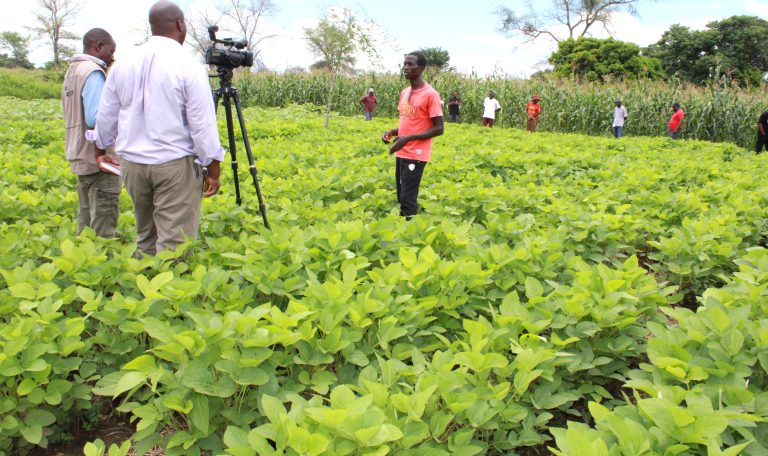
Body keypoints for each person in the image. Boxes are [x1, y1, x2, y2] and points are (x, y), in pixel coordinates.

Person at [88, 0, 224, 256]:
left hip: (132, 165)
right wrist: (213, 168)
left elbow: (106, 114)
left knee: (146, 235)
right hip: (174, 165)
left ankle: (144, 277)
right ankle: (167, 281)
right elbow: (202, 125)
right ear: (180, 25)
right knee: (174, 244)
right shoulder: (188, 65)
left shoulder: (123, 63)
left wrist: (100, 149)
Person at [62, 28, 120, 238]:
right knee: (103, 224)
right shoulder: (93, 72)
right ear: (98, 46)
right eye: (110, 51)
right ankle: (100, 257)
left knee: (85, 220)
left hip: (79, 153)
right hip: (99, 160)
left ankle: (82, 253)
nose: (112, 58)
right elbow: (97, 119)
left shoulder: (73, 71)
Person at [381, 51, 444, 219]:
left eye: (411, 64)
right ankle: (406, 224)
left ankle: (409, 229)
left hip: (416, 154)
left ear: (421, 68)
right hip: (401, 151)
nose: (406, 67)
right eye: (405, 64)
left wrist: (408, 138)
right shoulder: (405, 92)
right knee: (401, 194)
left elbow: (439, 128)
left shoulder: (430, 94)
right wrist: (392, 132)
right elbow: (408, 122)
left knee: (408, 199)